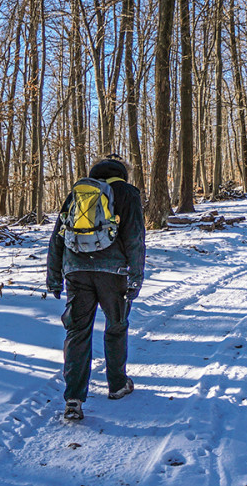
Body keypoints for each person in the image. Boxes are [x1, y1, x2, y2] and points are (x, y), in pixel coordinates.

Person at [46, 155, 146, 421]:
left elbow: (57, 237)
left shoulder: (77, 193)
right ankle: (117, 385)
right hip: (114, 273)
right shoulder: (127, 193)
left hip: (76, 269)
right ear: (122, 173)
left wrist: (54, 275)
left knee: (77, 331)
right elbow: (134, 237)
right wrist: (136, 276)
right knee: (116, 325)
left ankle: (73, 398)